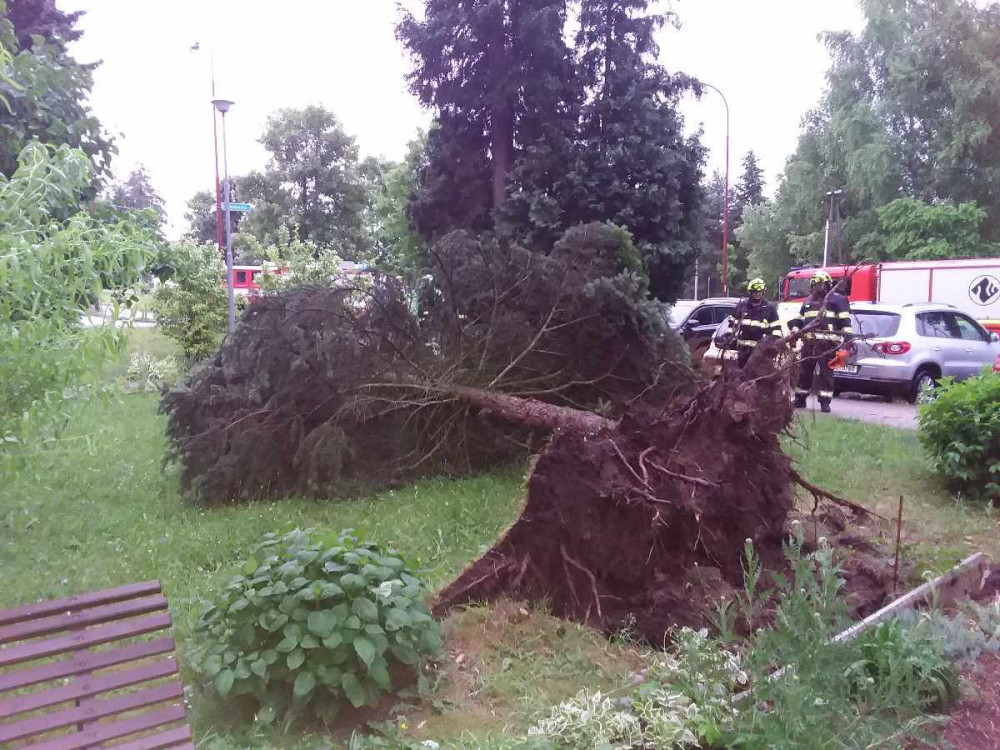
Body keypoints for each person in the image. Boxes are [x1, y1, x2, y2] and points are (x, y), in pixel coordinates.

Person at [788, 270, 853, 413]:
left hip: (828, 345)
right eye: (815, 284)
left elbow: (846, 324)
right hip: (809, 343)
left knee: (826, 375)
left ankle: (825, 402)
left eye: (820, 284)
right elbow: (799, 319)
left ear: (828, 284)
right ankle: (800, 399)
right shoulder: (808, 301)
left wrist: (846, 345)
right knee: (804, 372)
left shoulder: (837, 300)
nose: (817, 287)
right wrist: (794, 332)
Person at [727, 278, 782, 368]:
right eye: (755, 291)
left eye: (760, 291)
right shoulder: (742, 306)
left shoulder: (769, 308)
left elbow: (776, 329)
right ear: (750, 292)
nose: (757, 294)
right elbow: (732, 324)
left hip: (761, 353)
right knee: (742, 374)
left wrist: (772, 344)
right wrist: (729, 339)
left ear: (763, 292)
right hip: (743, 352)